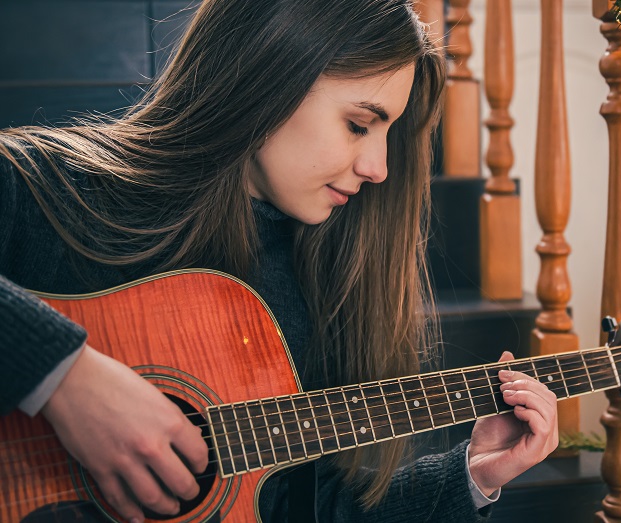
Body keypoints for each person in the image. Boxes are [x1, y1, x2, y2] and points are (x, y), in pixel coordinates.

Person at [0, 0, 559, 521]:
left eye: (387, 134)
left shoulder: (309, 277)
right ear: (266, 76)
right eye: (358, 124)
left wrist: (472, 475)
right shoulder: (38, 186)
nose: (379, 167)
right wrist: (65, 377)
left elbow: (304, 507)